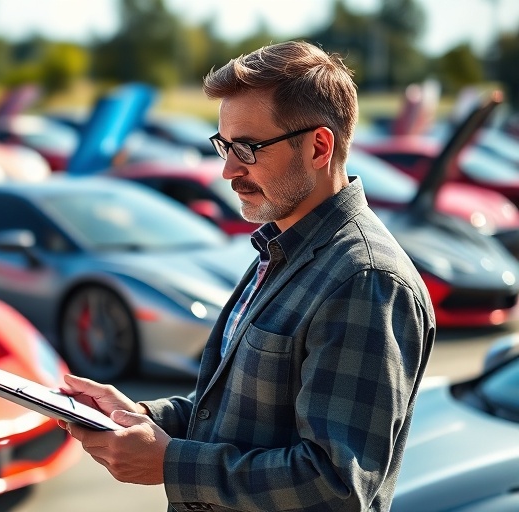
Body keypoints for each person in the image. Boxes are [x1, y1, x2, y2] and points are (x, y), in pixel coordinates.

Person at [60, 40, 436, 512]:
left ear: (319, 147)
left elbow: (336, 486)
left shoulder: (366, 281)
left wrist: (170, 464)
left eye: (247, 148)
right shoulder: (279, 243)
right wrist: (139, 417)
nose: (227, 170)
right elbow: (237, 412)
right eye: (224, 145)